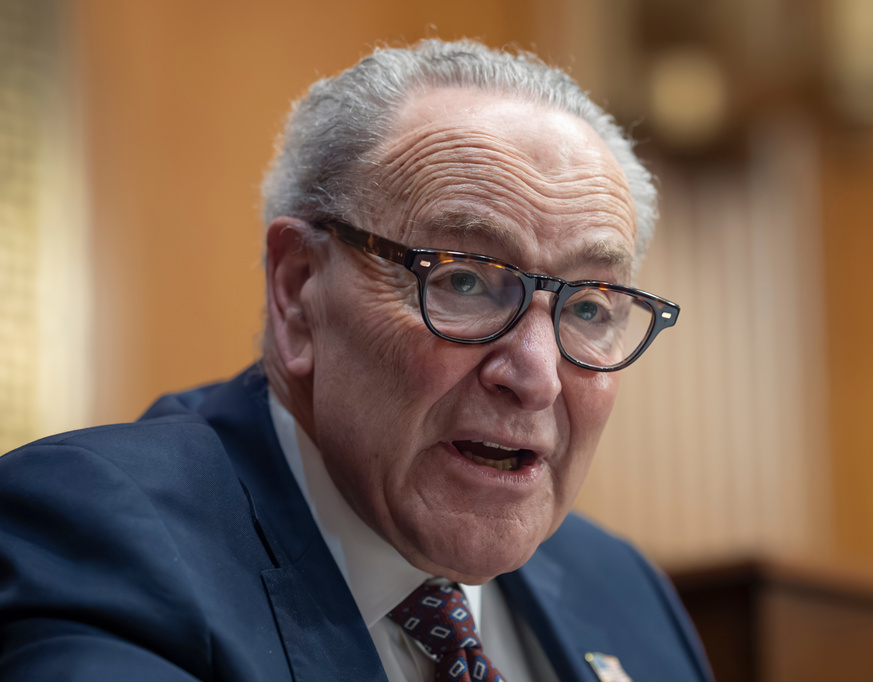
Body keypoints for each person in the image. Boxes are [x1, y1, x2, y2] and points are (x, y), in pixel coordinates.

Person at [0, 40, 712, 682]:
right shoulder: (100, 532)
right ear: (298, 291)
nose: (533, 375)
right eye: (463, 280)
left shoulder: (626, 595)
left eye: (589, 307)